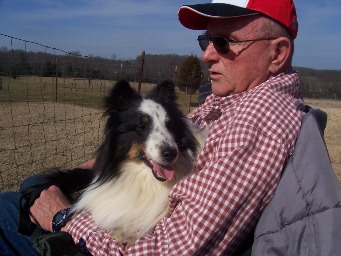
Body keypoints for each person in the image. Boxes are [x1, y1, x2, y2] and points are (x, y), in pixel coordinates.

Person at [0, 0, 314, 255]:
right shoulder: (237, 98)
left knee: (6, 209)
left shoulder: (258, 120)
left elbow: (172, 249)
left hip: (100, 244)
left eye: (224, 42)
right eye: (206, 40)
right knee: (34, 184)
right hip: (119, 219)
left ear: (277, 53)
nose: (206, 55)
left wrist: (62, 219)